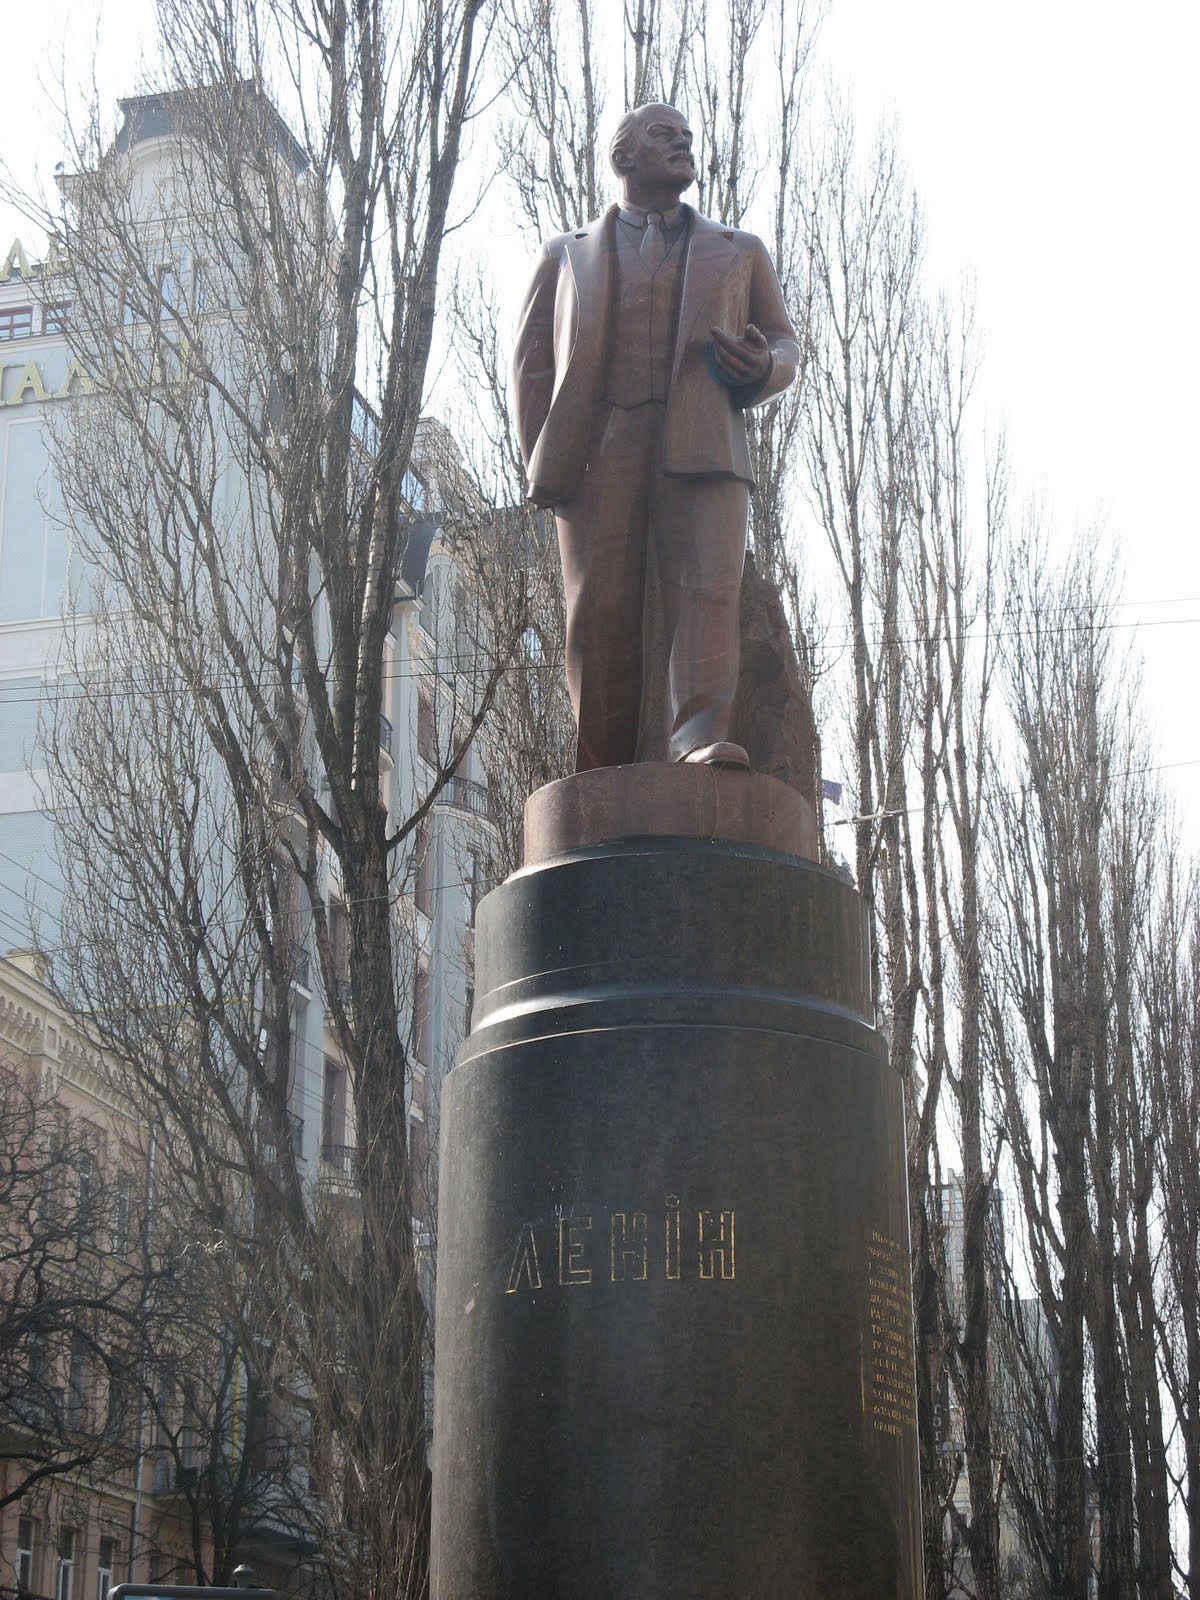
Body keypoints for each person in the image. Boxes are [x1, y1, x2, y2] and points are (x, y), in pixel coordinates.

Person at [512, 102, 799, 771]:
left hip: (704, 444)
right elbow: (531, 363)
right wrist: (544, 459)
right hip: (600, 446)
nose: (682, 146)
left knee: (707, 592)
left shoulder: (740, 250)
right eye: (665, 137)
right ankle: (601, 766)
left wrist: (765, 368)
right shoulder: (564, 255)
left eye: (687, 138)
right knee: (600, 609)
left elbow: (786, 342)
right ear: (623, 158)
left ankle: (698, 736)